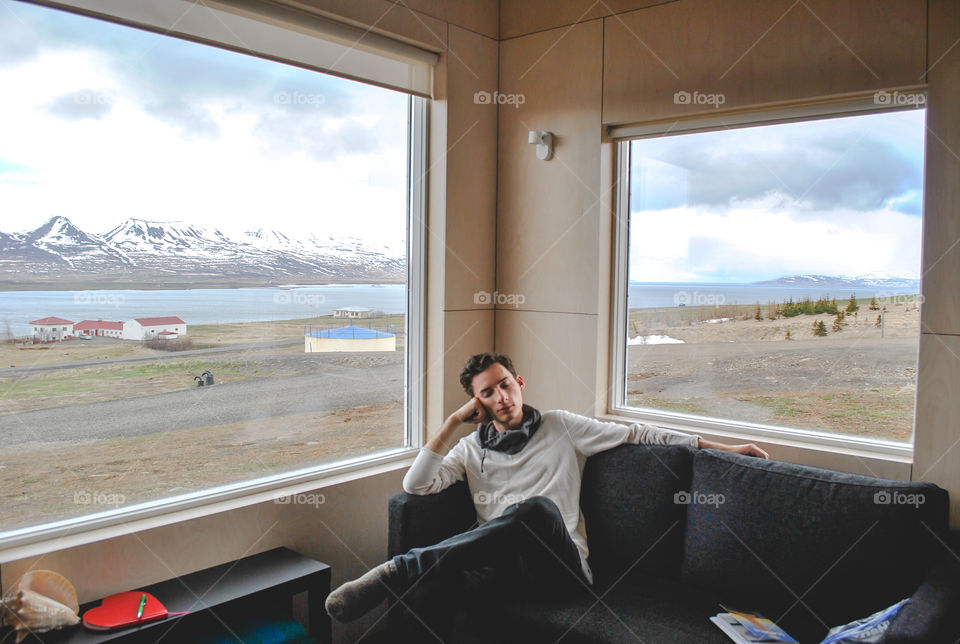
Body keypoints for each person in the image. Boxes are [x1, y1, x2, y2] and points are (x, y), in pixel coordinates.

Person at [325, 352, 768, 636]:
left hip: (560, 572)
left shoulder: (560, 427)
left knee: (534, 510)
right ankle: (412, 576)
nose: (501, 397)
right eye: (487, 393)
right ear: (476, 404)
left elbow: (638, 431)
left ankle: (397, 570)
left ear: (520, 381)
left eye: (505, 385)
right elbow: (415, 485)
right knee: (432, 589)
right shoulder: (469, 447)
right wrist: (453, 423)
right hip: (497, 569)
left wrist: (722, 448)